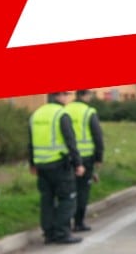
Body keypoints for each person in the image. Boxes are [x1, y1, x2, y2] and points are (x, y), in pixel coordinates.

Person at [30, 91, 84, 245]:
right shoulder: (61, 114)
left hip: (41, 165)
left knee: (47, 200)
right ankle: (62, 233)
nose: (68, 98)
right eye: (67, 94)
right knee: (67, 198)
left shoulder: (36, 114)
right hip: (59, 164)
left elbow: (30, 141)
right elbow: (70, 141)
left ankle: (49, 233)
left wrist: (32, 163)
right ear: (59, 96)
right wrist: (78, 163)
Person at [62, 88, 105, 231]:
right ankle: (78, 222)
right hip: (86, 157)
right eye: (90, 94)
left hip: (67, 156)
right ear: (85, 95)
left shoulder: (65, 109)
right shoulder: (89, 112)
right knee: (82, 191)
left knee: (69, 191)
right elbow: (97, 136)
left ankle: (65, 222)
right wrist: (99, 157)